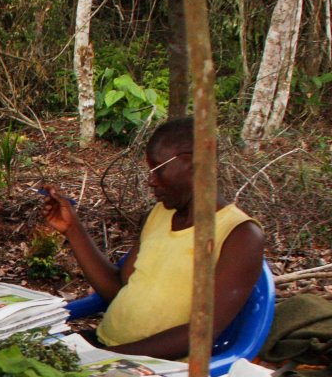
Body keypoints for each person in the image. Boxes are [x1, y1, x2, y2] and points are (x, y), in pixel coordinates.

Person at [41, 116, 264, 359]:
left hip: (159, 370)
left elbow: (201, 334)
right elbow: (118, 289)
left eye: (157, 169)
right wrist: (73, 228)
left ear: (191, 163)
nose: (151, 181)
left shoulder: (240, 235)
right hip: (104, 346)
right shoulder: (159, 214)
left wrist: (105, 358)